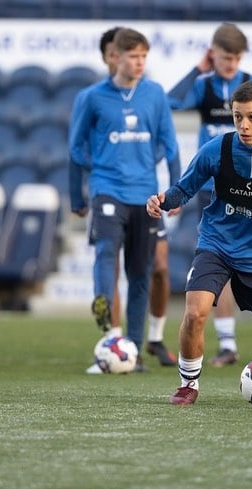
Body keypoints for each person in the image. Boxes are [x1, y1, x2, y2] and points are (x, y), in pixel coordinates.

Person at [147, 80, 252, 405]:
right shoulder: (215, 150)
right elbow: (185, 188)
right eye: (237, 117)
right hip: (217, 244)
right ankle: (188, 385)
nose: (243, 125)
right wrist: (161, 201)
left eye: (251, 117)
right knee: (195, 313)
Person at [167, 22, 252, 367]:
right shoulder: (203, 87)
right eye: (223, 57)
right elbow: (168, 102)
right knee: (221, 264)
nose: (230, 64)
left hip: (251, 186)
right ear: (212, 53)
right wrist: (197, 69)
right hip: (211, 189)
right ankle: (228, 344)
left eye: (235, 58)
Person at [69, 27, 180, 372]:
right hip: (107, 190)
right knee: (105, 254)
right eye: (133, 56)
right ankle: (109, 337)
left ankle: (131, 349)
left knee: (141, 272)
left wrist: (175, 190)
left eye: (144, 56)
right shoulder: (92, 97)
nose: (139, 63)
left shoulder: (156, 95)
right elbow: (76, 147)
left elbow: (171, 145)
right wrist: (79, 192)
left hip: (145, 194)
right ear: (116, 56)